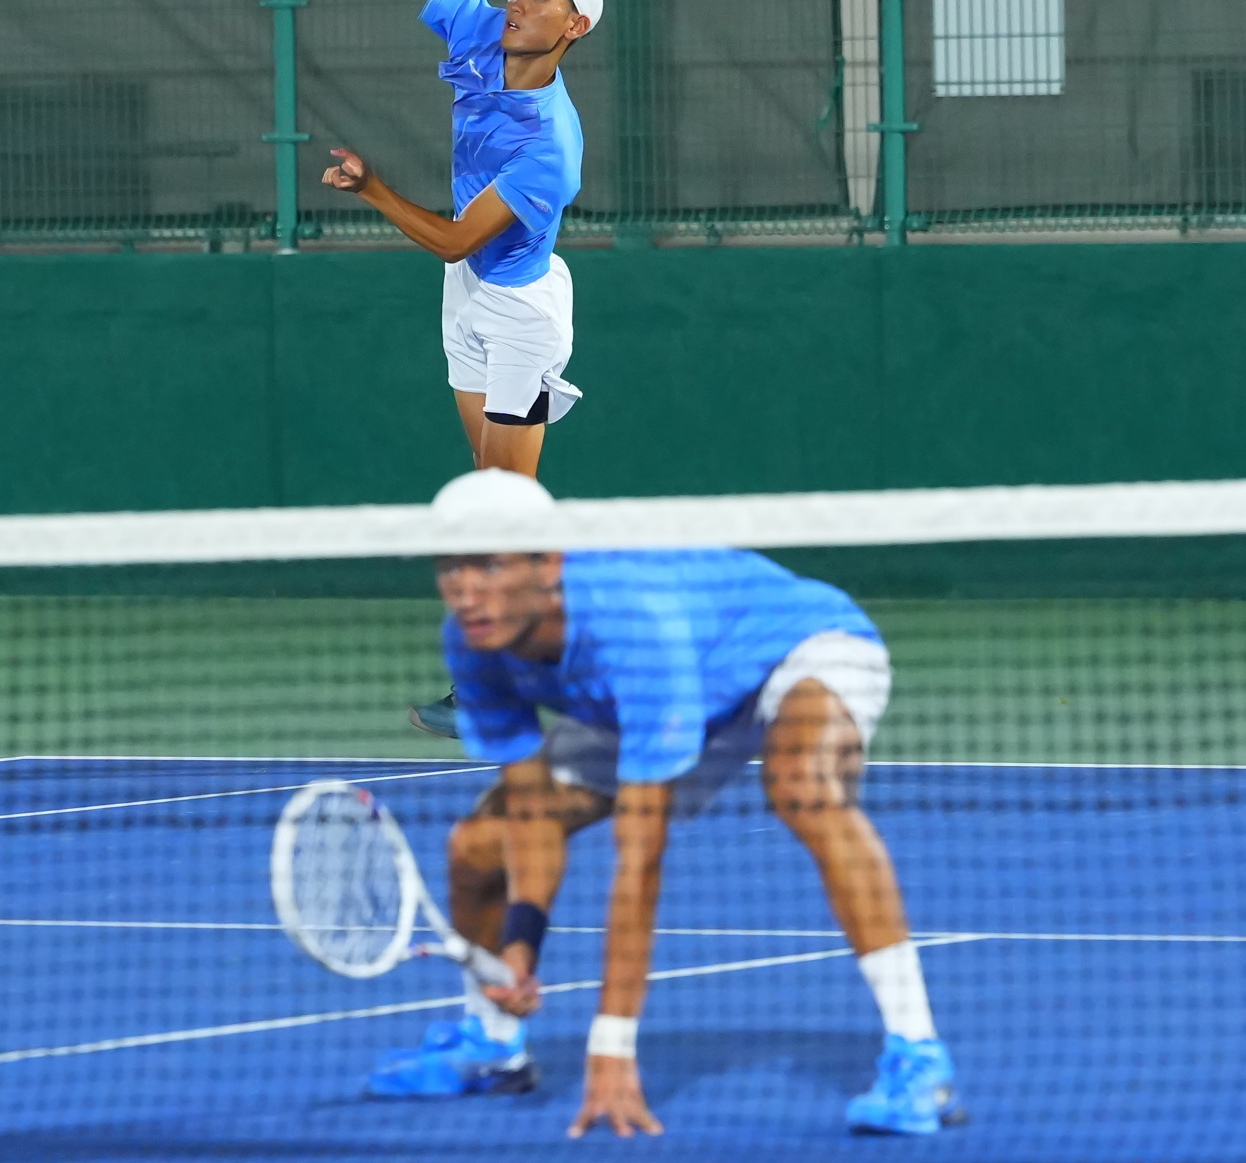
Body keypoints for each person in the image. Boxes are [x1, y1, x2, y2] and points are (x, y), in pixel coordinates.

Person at [363, 470, 964, 1139]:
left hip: (793, 649)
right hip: (661, 694)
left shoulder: (629, 624)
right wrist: (521, 940)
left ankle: (920, 1055)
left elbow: (640, 859)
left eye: (491, 566)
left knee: (805, 790)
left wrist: (613, 1045)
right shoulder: (472, 642)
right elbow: (531, 812)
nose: (467, 591)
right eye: (451, 568)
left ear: (548, 564)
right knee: (478, 843)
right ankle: (492, 1043)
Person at [317, 0, 596, 743]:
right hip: (465, 297)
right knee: (488, 494)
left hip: (518, 314)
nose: (519, 0)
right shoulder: (480, 33)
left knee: (503, 507)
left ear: (573, 29)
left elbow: (449, 236)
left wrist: (373, 188)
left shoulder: (549, 148)